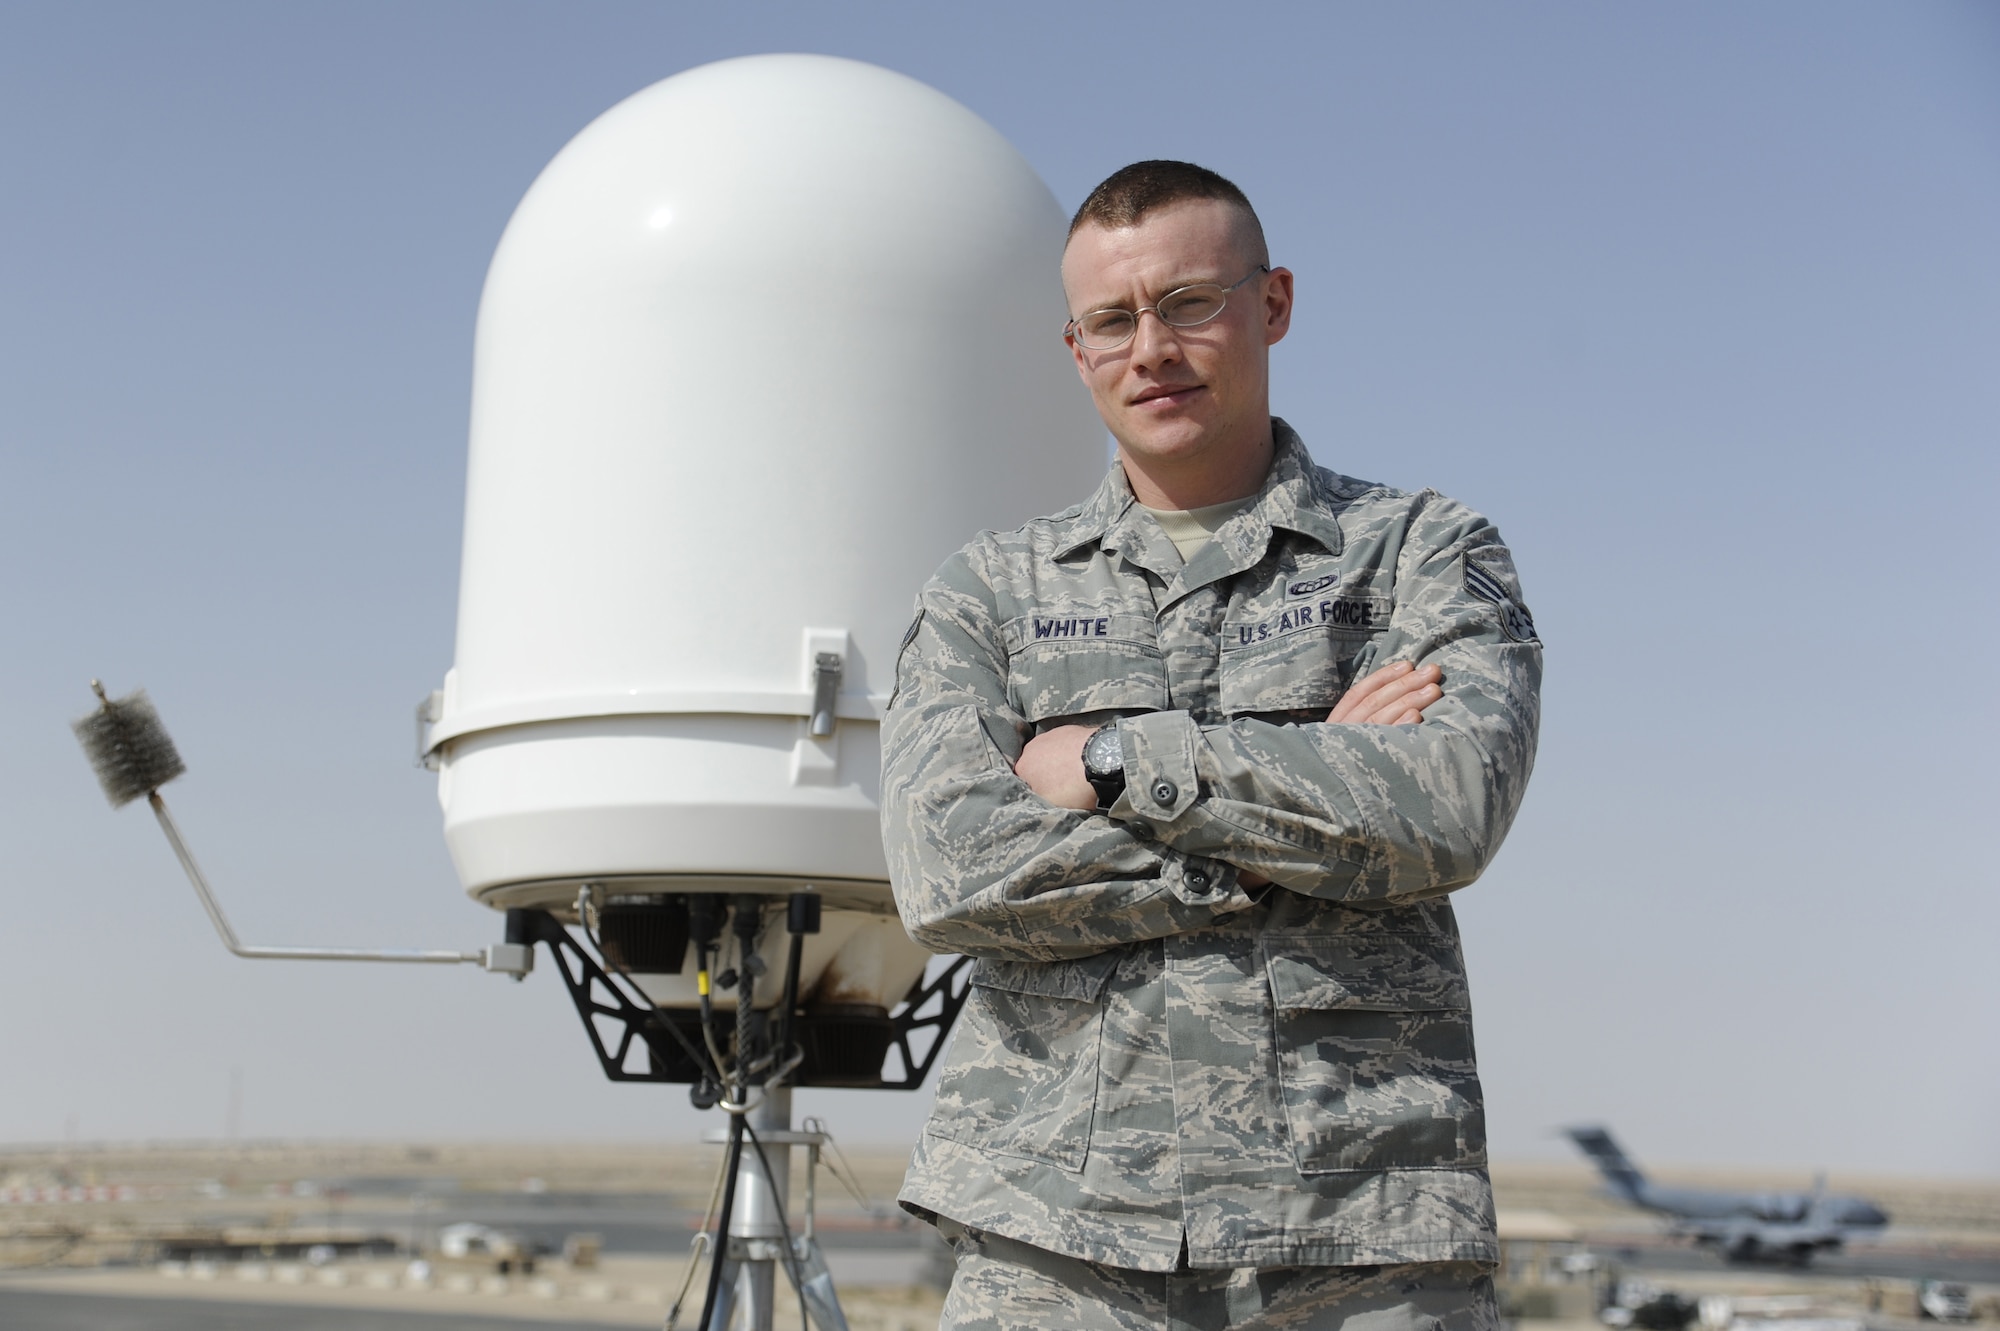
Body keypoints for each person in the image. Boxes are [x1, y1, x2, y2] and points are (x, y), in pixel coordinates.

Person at [881, 160, 1542, 1331]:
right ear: (1074, 347)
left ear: (1271, 302)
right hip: (1052, 1246)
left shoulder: (1416, 553)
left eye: (1189, 302)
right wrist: (1287, 819)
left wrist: (1110, 763)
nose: (1152, 348)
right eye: (1111, 320)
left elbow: (1442, 806)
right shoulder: (987, 594)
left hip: (1358, 1241)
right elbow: (950, 876)